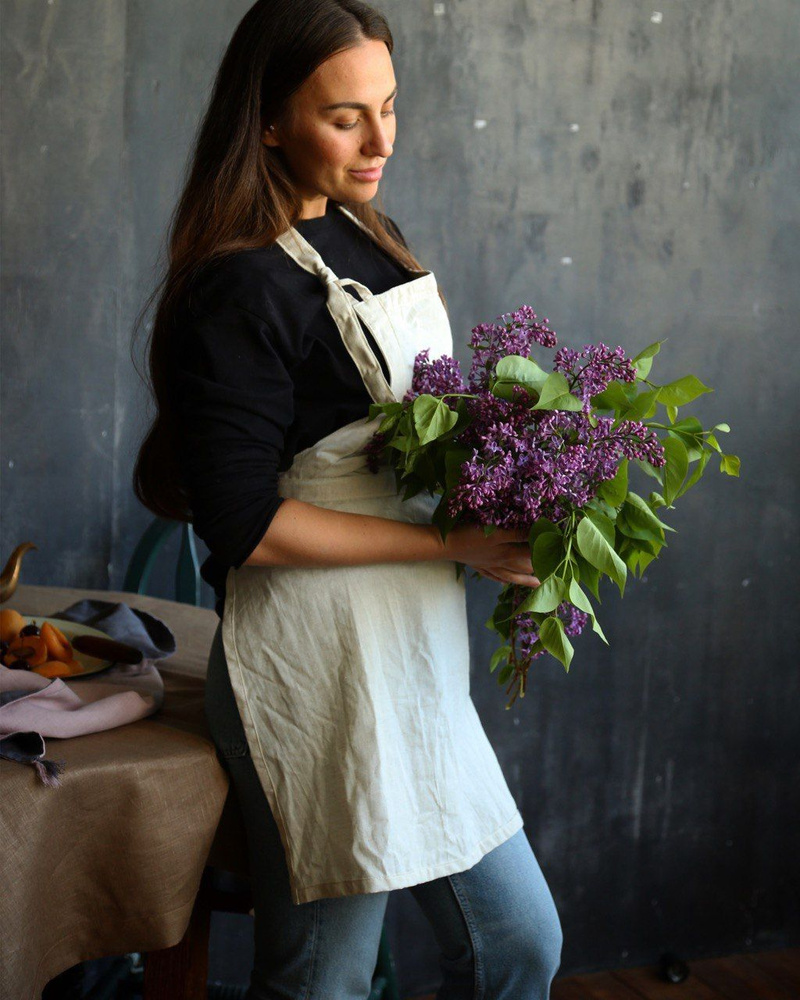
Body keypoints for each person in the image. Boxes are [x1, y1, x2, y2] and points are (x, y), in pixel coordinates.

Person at [132, 1, 563, 996]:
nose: (380, 142)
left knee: (516, 945)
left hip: (412, 656)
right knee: (321, 982)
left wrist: (517, 462)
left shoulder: (370, 235)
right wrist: (452, 543)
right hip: (315, 667)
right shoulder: (236, 291)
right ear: (269, 122)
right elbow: (244, 525)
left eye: (389, 106)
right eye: (344, 118)